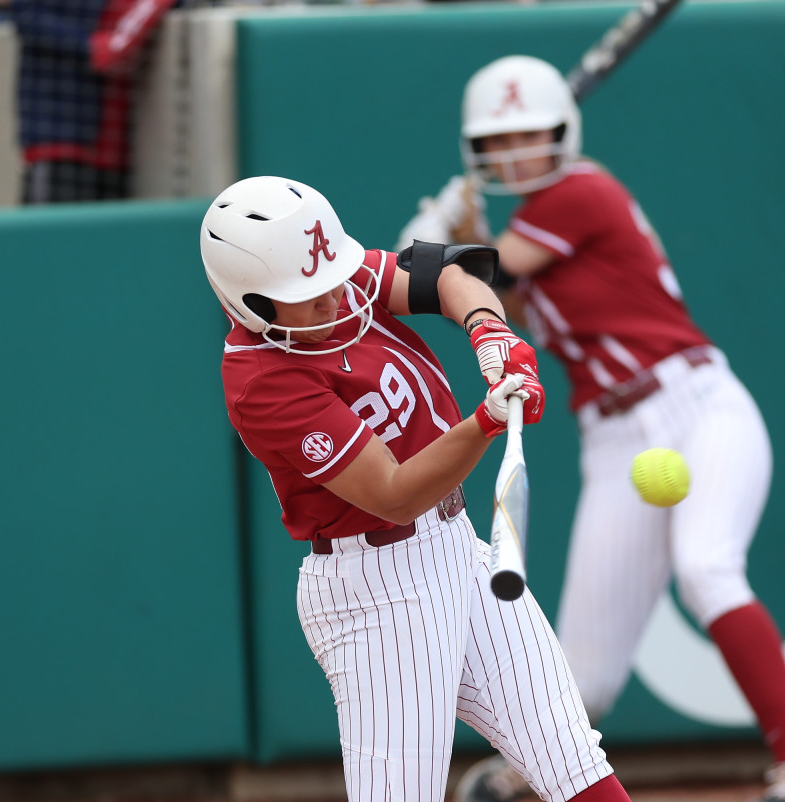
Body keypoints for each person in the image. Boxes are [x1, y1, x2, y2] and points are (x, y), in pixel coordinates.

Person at [396, 55, 785, 802]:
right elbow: (496, 295)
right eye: (499, 141)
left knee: (708, 568)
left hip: (696, 404)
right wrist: (463, 232)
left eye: (531, 136)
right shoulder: (531, 226)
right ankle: (528, 771)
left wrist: (430, 242)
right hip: (614, 439)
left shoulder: (580, 190)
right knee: (585, 673)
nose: (516, 154)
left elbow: (485, 274)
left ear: (562, 134)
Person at [199, 175, 638, 802]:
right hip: (377, 592)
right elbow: (395, 492)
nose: (333, 299)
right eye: (309, 294)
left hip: (458, 550)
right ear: (253, 303)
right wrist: (487, 419)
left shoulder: (332, 280)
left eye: (332, 280)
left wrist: (491, 332)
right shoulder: (261, 382)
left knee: (572, 760)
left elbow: (448, 275)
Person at [9, 0, 180, 203]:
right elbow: (25, 15)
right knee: (52, 231)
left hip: (118, 148)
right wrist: (90, 46)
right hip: (60, 139)